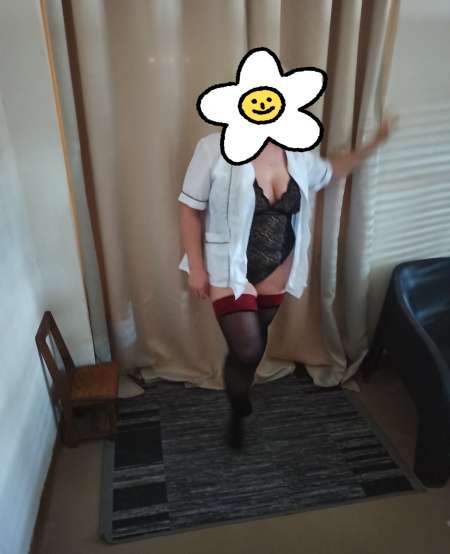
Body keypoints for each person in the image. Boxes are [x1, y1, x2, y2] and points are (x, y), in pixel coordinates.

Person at [178, 119, 394, 450]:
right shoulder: (213, 148)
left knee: (256, 338)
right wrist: (195, 267)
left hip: (279, 266)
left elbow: (330, 171)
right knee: (247, 349)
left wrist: (372, 145)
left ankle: (240, 386)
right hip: (228, 267)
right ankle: (238, 408)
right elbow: (190, 209)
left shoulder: (297, 152)